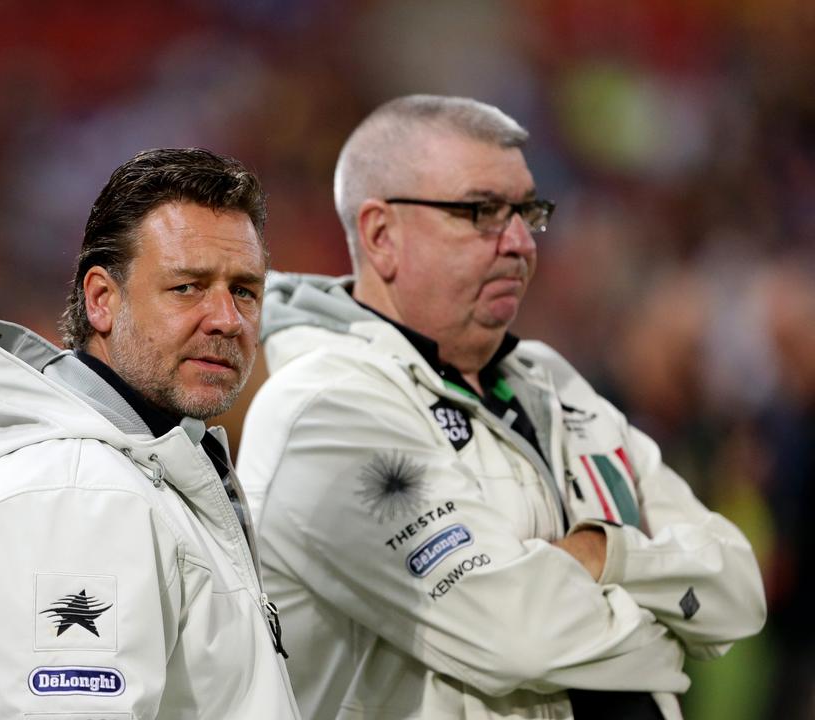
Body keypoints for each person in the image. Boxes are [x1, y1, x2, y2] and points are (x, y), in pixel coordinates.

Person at [235, 95, 766, 719]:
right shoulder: (323, 410)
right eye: (482, 211)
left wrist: (604, 554)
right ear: (382, 235)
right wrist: (669, 637)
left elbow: (739, 590)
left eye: (527, 211)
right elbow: (521, 639)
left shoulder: (554, 382)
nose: (520, 242)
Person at [0, 148, 300, 719]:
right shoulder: (80, 489)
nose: (227, 319)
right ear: (102, 300)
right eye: (188, 288)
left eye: (244, 290)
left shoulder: (145, 470)